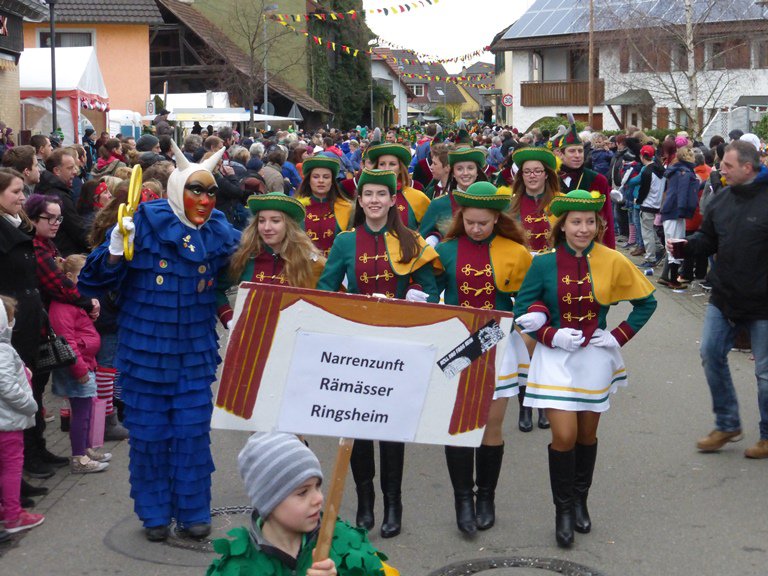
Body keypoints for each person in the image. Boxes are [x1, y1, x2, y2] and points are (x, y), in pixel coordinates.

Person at [78, 143, 240, 541]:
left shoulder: (218, 231)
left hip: (193, 356)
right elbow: (93, 283)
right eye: (195, 190)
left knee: (190, 435)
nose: (204, 200)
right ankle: (153, 515)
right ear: (176, 190)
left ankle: (193, 511)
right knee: (149, 436)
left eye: (209, 191)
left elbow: (249, 265)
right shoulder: (142, 224)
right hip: (144, 355)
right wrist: (115, 250)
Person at [514, 189, 657, 548]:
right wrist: (548, 333)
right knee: (562, 436)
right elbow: (522, 310)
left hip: (594, 358)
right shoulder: (544, 263)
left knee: (586, 436)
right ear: (561, 226)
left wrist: (618, 336)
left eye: (590, 222)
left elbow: (647, 302)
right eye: (575, 222)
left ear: (598, 225)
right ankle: (562, 511)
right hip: (554, 357)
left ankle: (580, 501)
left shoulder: (613, 259)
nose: (583, 229)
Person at [317, 168, 441, 539]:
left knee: (391, 427)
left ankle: (393, 504)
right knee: (354, 424)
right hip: (355, 343)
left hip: (398, 343)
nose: (374, 200)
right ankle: (365, 502)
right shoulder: (344, 241)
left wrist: (417, 293)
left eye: (380, 195)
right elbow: (326, 288)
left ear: (392, 201)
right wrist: (344, 304)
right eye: (367, 194)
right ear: (360, 200)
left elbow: (431, 287)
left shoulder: (410, 238)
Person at [435, 181, 533, 535]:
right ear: (461, 218)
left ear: (496, 219)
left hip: (496, 341)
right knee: (458, 425)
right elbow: (429, 293)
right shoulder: (445, 251)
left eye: (484, 223)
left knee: (491, 427)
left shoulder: (516, 252)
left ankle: (486, 497)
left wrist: (529, 322)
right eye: (470, 222)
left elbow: (528, 298)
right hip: (456, 342)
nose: (476, 228)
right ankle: (463, 499)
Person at [671, 141, 768, 459]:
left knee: (764, 374)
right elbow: (709, 239)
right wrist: (687, 246)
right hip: (724, 296)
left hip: (763, 302)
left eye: (727, 165)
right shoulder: (721, 199)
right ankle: (727, 424)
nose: (720, 170)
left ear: (747, 168)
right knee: (711, 354)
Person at [207, 432, 397, 576]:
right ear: (269, 501)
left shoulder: (347, 543)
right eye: (303, 492)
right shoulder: (236, 568)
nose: (318, 499)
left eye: (317, 486)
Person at [0, 169, 58, 480]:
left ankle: (36, 449)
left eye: (23, 191)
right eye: (15, 191)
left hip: (31, 315)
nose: (22, 197)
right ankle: (22, 466)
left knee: (35, 387)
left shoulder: (17, 225)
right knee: (20, 392)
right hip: (12, 322)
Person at [508, 146, 563, 431]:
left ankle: (543, 403)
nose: (532, 176)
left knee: (546, 343)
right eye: (527, 171)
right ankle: (525, 405)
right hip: (521, 280)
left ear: (546, 174)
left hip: (553, 278)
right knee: (524, 342)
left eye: (537, 171)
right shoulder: (510, 204)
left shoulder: (560, 203)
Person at [216, 191, 325, 326]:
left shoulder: (311, 262)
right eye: (261, 221)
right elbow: (216, 288)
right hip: (252, 340)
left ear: (289, 225)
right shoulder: (245, 256)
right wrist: (230, 319)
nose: (267, 227)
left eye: (275, 220)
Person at [48, 254, 110, 473]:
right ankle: (79, 457)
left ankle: (85, 448)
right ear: (68, 277)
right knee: (81, 412)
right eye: (81, 275)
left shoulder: (74, 302)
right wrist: (81, 369)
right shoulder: (62, 306)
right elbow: (66, 342)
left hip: (85, 362)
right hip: (77, 366)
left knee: (86, 409)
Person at [0, 294, 45, 535]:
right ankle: (14, 515)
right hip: (7, 423)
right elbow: (6, 385)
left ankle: (5, 508)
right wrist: (29, 404)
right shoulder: (3, 352)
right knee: (11, 468)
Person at [554, 124, 616, 249]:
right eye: (572, 151)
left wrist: (609, 250)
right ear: (560, 154)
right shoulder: (550, 178)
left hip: (589, 245)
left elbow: (606, 219)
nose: (577, 155)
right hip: (556, 244)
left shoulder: (598, 180)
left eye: (580, 151)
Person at [419, 147, 487, 246]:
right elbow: (422, 237)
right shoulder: (439, 204)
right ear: (453, 173)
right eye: (459, 169)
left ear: (477, 172)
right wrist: (434, 237)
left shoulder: (489, 201)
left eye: (470, 168)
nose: (465, 173)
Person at [294, 156, 353, 256]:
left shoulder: (347, 208)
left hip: (337, 269)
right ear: (309, 180)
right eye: (316, 177)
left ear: (332, 181)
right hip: (304, 269)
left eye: (326, 177)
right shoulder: (296, 208)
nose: (321, 181)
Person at [35, 148, 89, 256]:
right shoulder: (59, 196)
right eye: (70, 168)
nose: (75, 171)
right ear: (57, 171)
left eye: (74, 167)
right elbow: (77, 230)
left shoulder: (48, 188)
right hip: (66, 254)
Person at [658, 146, 698, 289]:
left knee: (673, 244)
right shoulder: (685, 172)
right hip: (675, 212)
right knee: (676, 245)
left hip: (670, 210)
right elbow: (682, 192)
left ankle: (667, 277)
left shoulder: (677, 170)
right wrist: (682, 210)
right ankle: (673, 280)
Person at [365, 143, 430, 230]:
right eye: (382, 164)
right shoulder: (365, 198)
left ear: (400, 168)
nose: (387, 168)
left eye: (392, 164)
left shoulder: (418, 198)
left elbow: (431, 229)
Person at [635, 145, 665, 269]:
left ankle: (650, 258)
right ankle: (659, 248)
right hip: (657, 203)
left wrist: (638, 200)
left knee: (646, 232)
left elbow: (644, 190)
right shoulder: (661, 170)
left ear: (642, 156)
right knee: (651, 229)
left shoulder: (647, 171)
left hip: (647, 204)